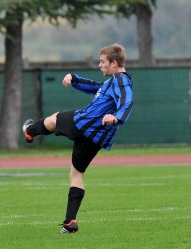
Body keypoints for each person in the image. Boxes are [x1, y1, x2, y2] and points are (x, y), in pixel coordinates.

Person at [22, 43, 133, 234]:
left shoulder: (121, 80)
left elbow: (127, 100)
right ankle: (70, 221)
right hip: (96, 138)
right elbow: (97, 89)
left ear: (114, 63)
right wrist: (74, 79)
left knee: (55, 118)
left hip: (84, 123)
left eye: (102, 62)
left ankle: (29, 130)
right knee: (76, 173)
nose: (100, 65)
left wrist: (116, 117)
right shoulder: (112, 82)